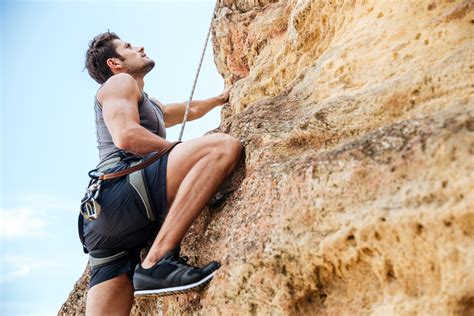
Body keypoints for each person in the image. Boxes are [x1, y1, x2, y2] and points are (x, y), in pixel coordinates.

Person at [81, 31, 243, 315]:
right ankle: (157, 260)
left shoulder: (148, 103)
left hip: (104, 221)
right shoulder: (119, 84)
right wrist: (180, 153)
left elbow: (188, 109)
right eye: (128, 47)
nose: (140, 46)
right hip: (122, 192)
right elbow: (126, 136)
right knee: (220, 147)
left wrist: (220, 98)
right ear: (114, 64)